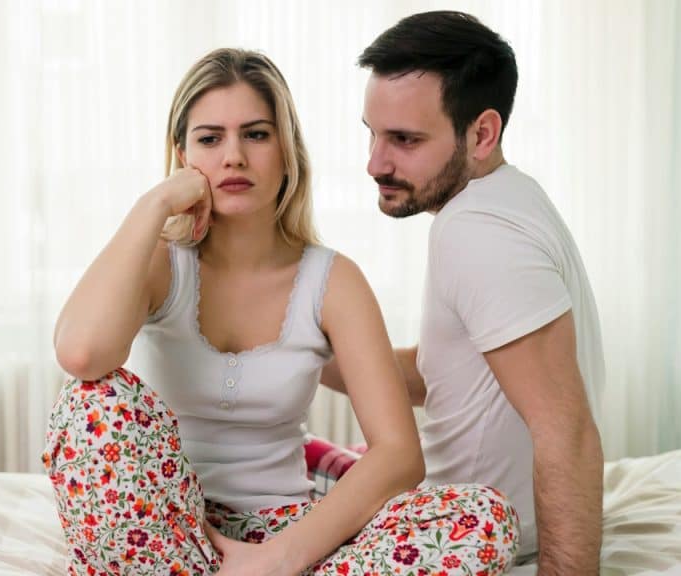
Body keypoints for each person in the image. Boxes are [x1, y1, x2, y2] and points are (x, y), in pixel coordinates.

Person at [45, 48, 519, 575]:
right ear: (182, 156)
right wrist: (153, 205)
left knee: (484, 517)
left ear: (286, 148)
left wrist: (279, 557)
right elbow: (81, 353)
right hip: (166, 527)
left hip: (288, 533)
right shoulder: (160, 264)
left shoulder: (334, 281)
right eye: (209, 138)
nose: (233, 157)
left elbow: (398, 454)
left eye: (256, 134)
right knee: (90, 403)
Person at [320, 11, 606, 575]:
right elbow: (451, 378)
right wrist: (306, 353)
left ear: (482, 132)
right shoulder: (507, 198)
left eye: (404, 140)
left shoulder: (477, 232)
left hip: (476, 537)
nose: (375, 163)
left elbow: (565, 429)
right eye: (372, 134)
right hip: (458, 515)